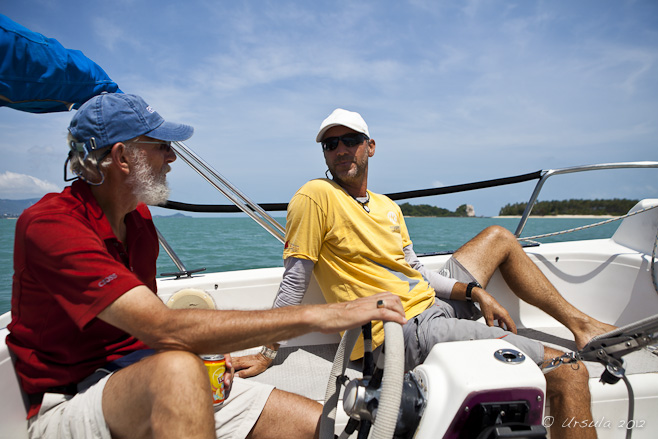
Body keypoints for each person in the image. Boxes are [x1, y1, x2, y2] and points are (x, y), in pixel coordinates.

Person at [7, 95, 407, 439]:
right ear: (121, 157)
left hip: (150, 375)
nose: (172, 157)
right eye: (161, 146)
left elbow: (148, 336)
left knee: (326, 426)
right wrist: (329, 314)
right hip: (70, 402)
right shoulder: (51, 226)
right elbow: (164, 328)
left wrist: (205, 363)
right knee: (178, 372)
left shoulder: (139, 222)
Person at [233, 108, 617, 439]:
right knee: (568, 370)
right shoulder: (314, 196)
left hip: (432, 303)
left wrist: (472, 292)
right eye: (330, 145)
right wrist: (269, 352)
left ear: (370, 146)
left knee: (499, 237)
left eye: (350, 140)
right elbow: (295, 281)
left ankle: (580, 324)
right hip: (405, 328)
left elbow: (416, 271)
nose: (340, 150)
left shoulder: (387, 207)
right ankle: (572, 354)